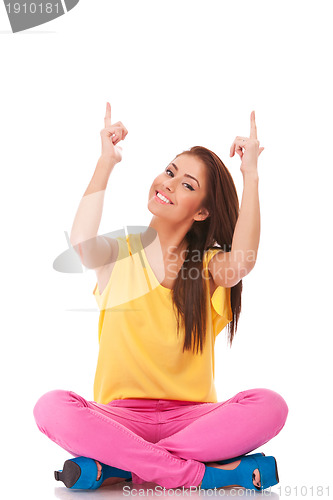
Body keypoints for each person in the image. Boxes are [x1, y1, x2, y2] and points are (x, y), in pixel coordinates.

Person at [33, 103, 288, 492]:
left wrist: (250, 174)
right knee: (51, 407)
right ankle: (206, 474)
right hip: (118, 417)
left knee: (270, 405)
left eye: (186, 184)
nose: (168, 183)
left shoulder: (208, 266)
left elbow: (243, 261)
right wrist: (107, 161)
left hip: (193, 420)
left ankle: (120, 466)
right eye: (170, 172)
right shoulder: (119, 252)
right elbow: (82, 244)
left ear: (201, 212)